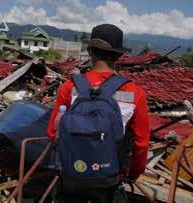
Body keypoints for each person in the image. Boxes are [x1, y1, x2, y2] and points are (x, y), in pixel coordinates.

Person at [47, 24, 150, 203]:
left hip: (72, 176)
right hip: (109, 179)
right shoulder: (135, 93)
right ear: (119, 55)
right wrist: (131, 174)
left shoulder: (69, 87)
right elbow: (141, 145)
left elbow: (52, 133)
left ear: (90, 51)